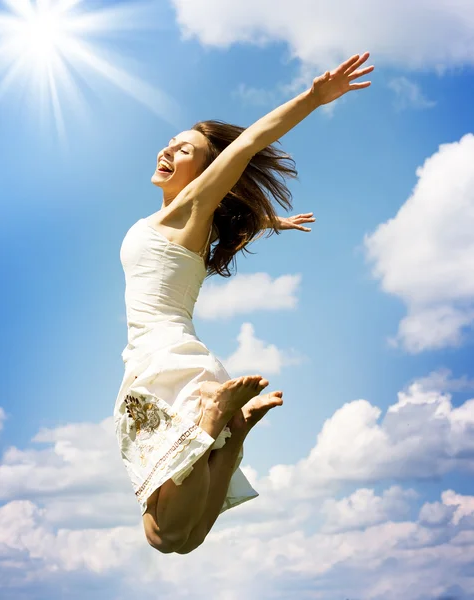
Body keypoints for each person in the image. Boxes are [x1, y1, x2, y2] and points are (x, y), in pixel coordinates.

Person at [114, 52, 374, 555]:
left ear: (208, 171)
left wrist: (314, 97)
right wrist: (272, 223)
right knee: (174, 539)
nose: (168, 150)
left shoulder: (192, 207)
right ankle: (234, 432)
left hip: (163, 361)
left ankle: (215, 416)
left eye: (184, 149)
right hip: (170, 358)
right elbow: (220, 225)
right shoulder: (192, 221)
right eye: (169, 143)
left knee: (166, 534)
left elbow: (251, 141)